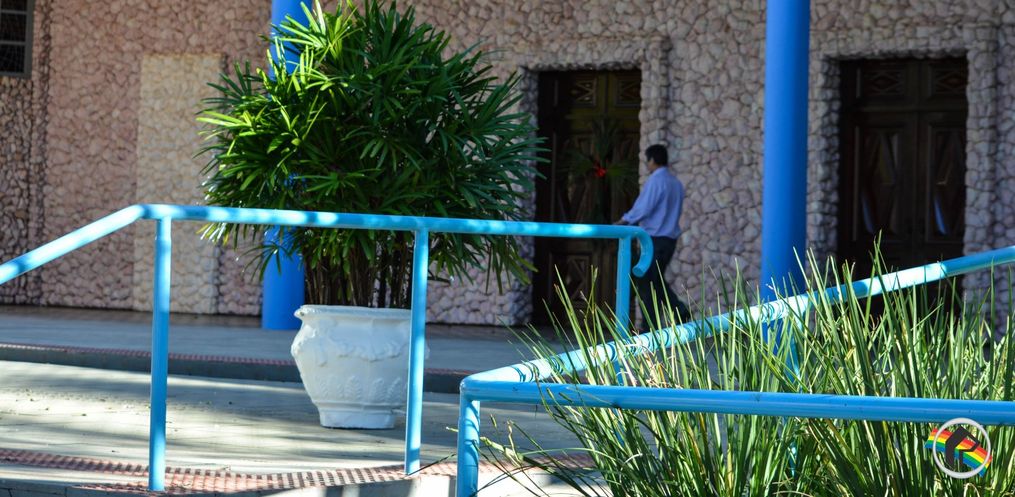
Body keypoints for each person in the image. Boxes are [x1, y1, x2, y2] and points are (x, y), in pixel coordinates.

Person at [614, 144, 689, 330]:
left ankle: (656, 322)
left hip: (653, 241)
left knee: (647, 282)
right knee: (654, 280)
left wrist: (623, 221)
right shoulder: (676, 183)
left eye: (647, 161)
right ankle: (669, 314)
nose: (647, 165)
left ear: (652, 160)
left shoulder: (656, 181)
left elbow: (643, 208)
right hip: (669, 240)